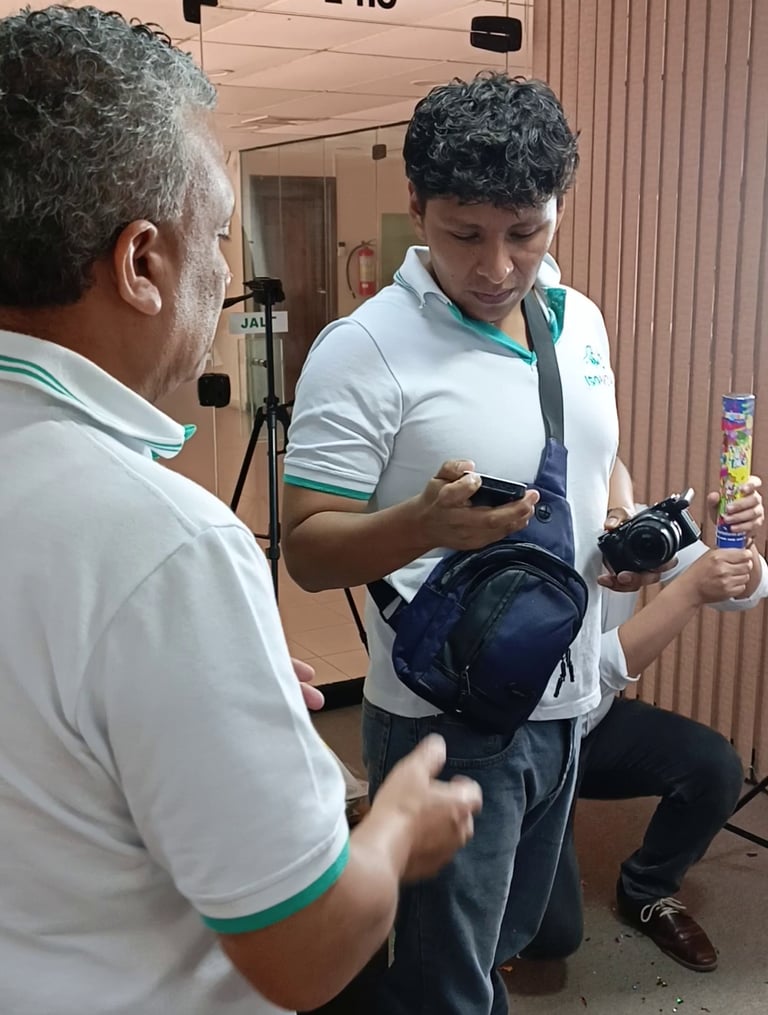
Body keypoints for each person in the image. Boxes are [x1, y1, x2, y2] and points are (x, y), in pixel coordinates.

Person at [0, 8, 483, 1015]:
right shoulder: (164, 545)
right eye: (218, 233)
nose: (227, 272)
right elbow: (304, 952)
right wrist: (396, 824)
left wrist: (195, 689)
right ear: (141, 264)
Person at [283, 73, 625, 1015]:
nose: (497, 267)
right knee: (446, 974)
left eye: (527, 232)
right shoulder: (365, 347)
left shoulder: (578, 321)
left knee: (502, 939)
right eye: (465, 233)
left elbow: (601, 459)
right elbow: (306, 548)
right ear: (416, 205)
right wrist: (421, 525)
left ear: (558, 207)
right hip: (447, 713)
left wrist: (623, 529)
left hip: (566, 693)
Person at [525, 475, 767, 972]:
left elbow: (743, 594)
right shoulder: (532, 532)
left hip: (593, 727)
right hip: (529, 740)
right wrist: (688, 593)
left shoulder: (641, 524)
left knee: (714, 767)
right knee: (551, 936)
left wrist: (737, 544)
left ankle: (647, 890)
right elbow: (572, 678)